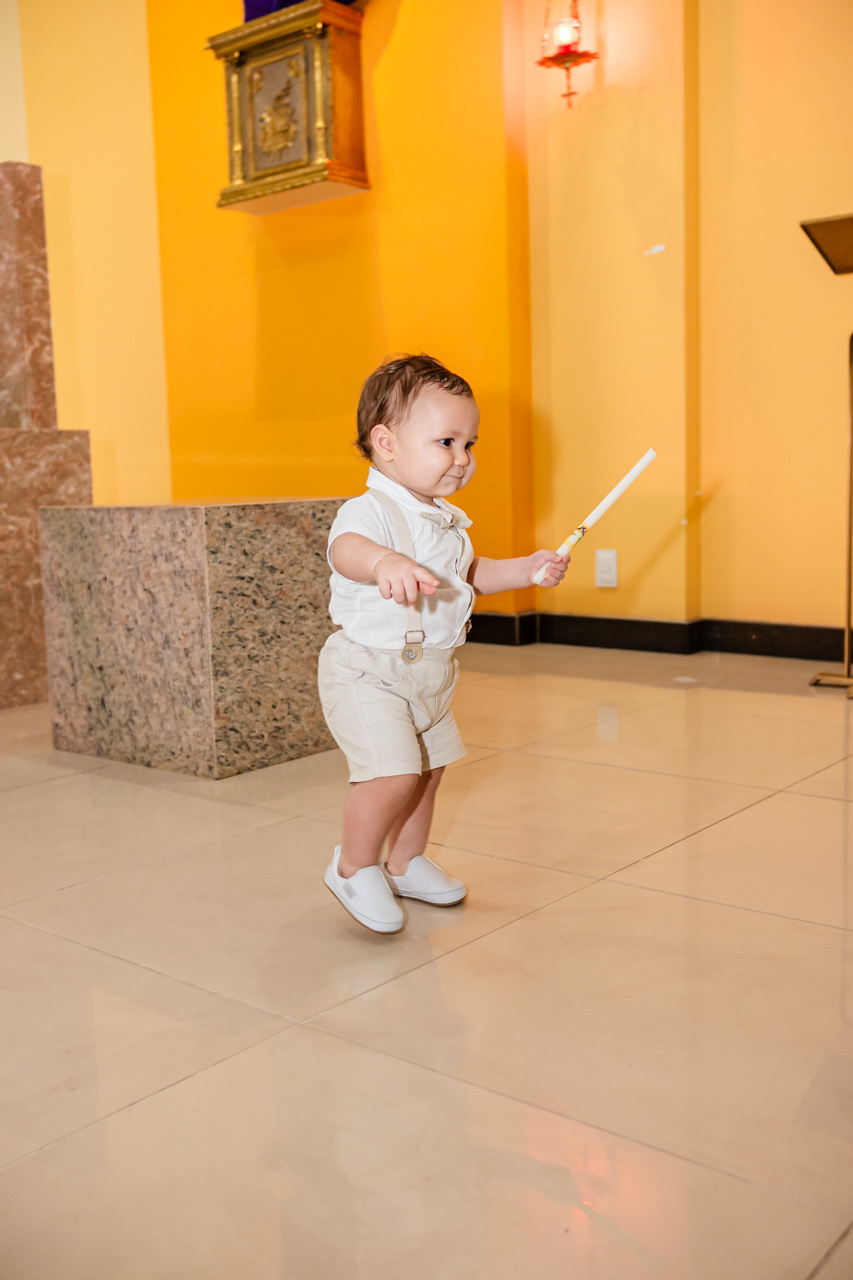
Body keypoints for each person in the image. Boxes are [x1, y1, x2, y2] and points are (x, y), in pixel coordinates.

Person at [317, 354, 569, 934]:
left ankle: (404, 862)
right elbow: (345, 550)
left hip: (428, 674)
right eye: (447, 442)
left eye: (469, 444)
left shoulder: (444, 520)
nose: (463, 459)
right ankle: (354, 866)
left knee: (429, 771)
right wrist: (384, 562)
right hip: (367, 671)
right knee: (391, 774)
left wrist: (527, 569)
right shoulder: (371, 511)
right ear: (386, 444)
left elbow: (470, 574)